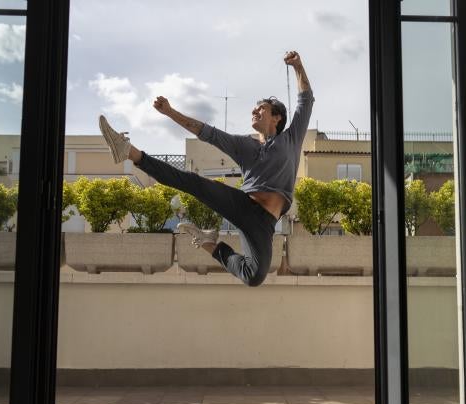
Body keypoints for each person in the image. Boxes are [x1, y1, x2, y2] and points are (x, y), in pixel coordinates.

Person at [99, 50, 313, 287]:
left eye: (260, 108)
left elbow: (306, 100)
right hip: (243, 206)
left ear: (277, 118)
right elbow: (206, 133)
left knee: (254, 276)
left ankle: (208, 242)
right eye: (254, 109)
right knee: (190, 182)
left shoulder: (291, 139)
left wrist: (298, 66)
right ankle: (128, 151)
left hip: (264, 224)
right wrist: (171, 112)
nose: (254, 111)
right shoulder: (244, 145)